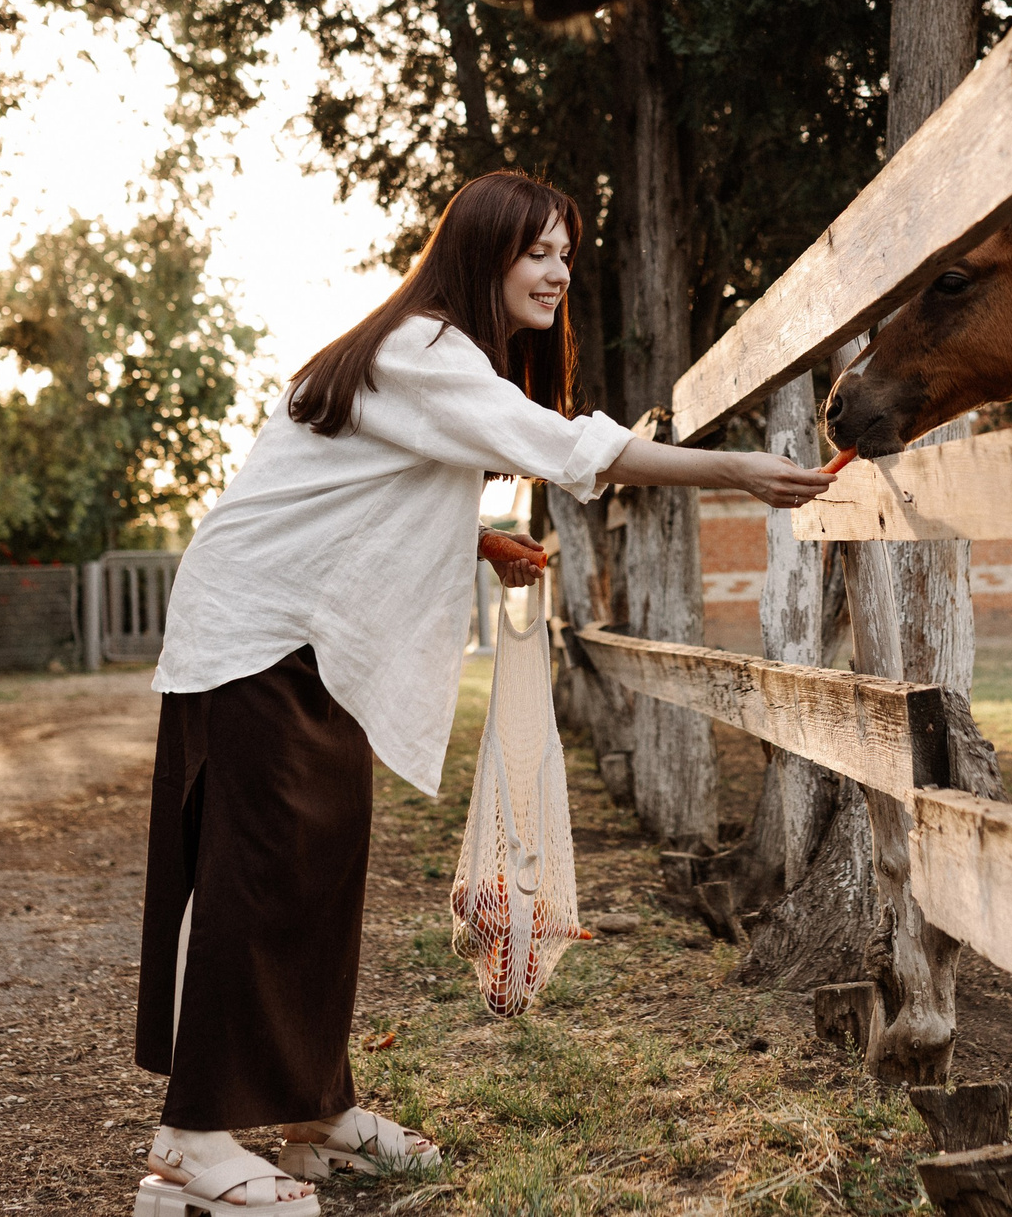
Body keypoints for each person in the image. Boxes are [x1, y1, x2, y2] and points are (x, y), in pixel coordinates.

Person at [132, 170, 832, 1210]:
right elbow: (562, 446)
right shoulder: (423, 349)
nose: (556, 272)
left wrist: (477, 536)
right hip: (256, 634)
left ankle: (314, 1114)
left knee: (318, 865)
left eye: (565, 254)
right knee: (262, 873)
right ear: (482, 252)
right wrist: (730, 469)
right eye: (536, 251)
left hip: (297, 636)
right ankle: (192, 1141)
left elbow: (358, 494)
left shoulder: (424, 355)